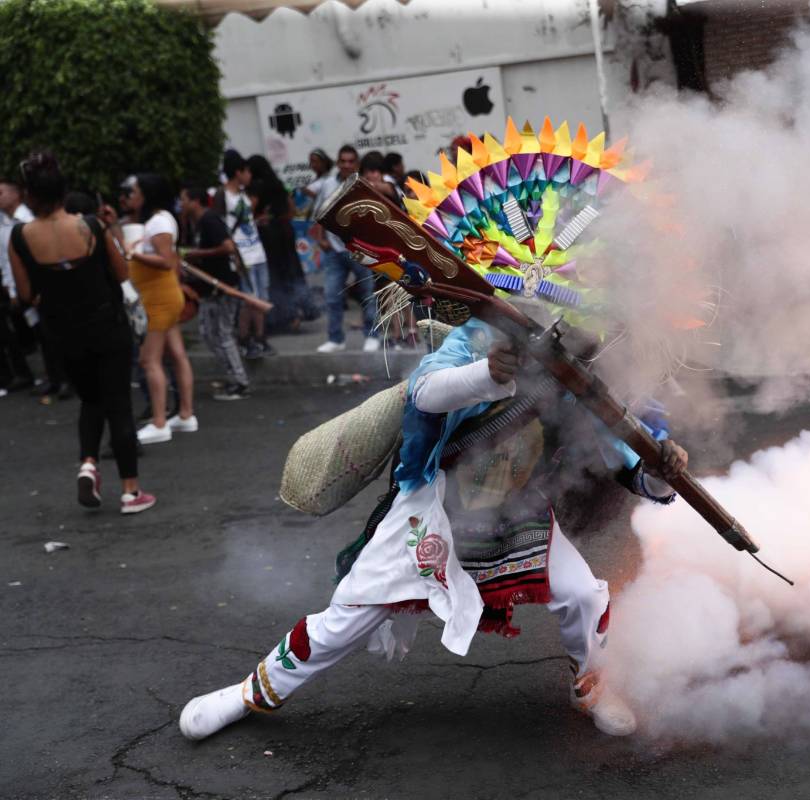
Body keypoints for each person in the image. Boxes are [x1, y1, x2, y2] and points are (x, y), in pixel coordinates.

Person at [180, 313, 689, 741]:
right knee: (346, 620)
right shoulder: (475, 336)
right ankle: (251, 692)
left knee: (580, 594)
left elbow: (628, 461)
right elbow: (425, 393)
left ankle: (592, 685)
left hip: (520, 516)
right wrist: (489, 375)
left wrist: (662, 473)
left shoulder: (584, 379)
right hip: (434, 510)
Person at [7, 151, 155, 513]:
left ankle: (88, 464)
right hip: (106, 325)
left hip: (62, 334)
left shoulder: (20, 236)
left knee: (90, 400)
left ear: (30, 195)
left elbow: (26, 294)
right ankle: (131, 492)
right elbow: (121, 273)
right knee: (118, 403)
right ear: (63, 189)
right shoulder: (90, 226)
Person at [127, 173, 197, 444]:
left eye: (135, 192)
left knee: (149, 360)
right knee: (177, 354)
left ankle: (159, 422)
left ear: (147, 195)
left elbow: (167, 261)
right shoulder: (161, 219)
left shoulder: (157, 222)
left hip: (159, 298)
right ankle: (185, 414)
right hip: (163, 295)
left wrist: (133, 254)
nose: (132, 197)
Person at [179, 183, 249, 401]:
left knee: (222, 334)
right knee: (209, 335)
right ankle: (233, 376)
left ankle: (240, 382)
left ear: (195, 201)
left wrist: (197, 253)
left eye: (184, 199)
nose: (181, 204)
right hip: (211, 289)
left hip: (223, 288)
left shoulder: (209, 220)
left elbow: (227, 247)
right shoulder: (198, 223)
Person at [311, 145, 380, 353]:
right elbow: (319, 214)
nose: (347, 165)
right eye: (343, 161)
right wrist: (321, 240)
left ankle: (372, 336)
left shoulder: (363, 184)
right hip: (334, 250)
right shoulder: (327, 185)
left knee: (367, 294)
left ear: (356, 164)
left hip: (361, 249)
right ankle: (335, 339)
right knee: (332, 296)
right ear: (338, 162)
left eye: (351, 161)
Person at [213, 150, 272, 359]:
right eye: (246, 171)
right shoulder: (223, 195)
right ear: (238, 172)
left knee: (261, 297)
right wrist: (233, 255)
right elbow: (220, 225)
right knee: (249, 299)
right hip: (242, 254)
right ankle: (247, 339)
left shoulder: (242, 195)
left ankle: (260, 338)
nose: (249, 176)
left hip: (257, 252)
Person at [0, 177, 35, 395]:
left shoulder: (27, 220)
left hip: (30, 284)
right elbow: (4, 258)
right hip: (12, 284)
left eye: (2, 192)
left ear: (17, 194)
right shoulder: (3, 221)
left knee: (45, 332)